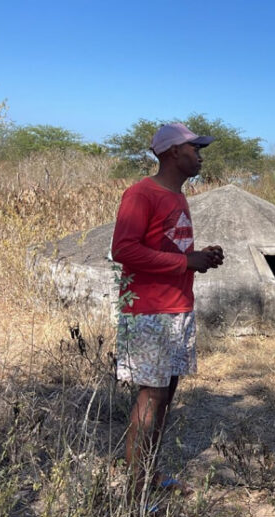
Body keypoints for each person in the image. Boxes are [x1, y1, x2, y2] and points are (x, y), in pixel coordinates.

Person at [111, 123, 224, 495]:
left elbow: (172, 250)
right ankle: (135, 491)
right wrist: (185, 263)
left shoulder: (177, 197)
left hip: (177, 309)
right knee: (151, 397)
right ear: (174, 152)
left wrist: (200, 257)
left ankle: (150, 475)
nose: (200, 155)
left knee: (166, 396)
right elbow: (123, 250)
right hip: (149, 311)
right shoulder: (141, 194)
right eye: (195, 149)